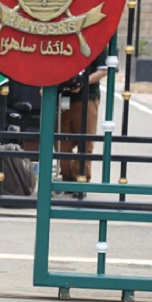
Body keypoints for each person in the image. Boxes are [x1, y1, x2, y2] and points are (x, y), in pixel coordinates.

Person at [59, 49, 108, 194]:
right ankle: (66, 178)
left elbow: (104, 70)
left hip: (86, 96)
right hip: (62, 96)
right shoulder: (63, 38)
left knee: (85, 141)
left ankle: (81, 180)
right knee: (62, 141)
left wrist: (83, 82)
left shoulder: (97, 40)